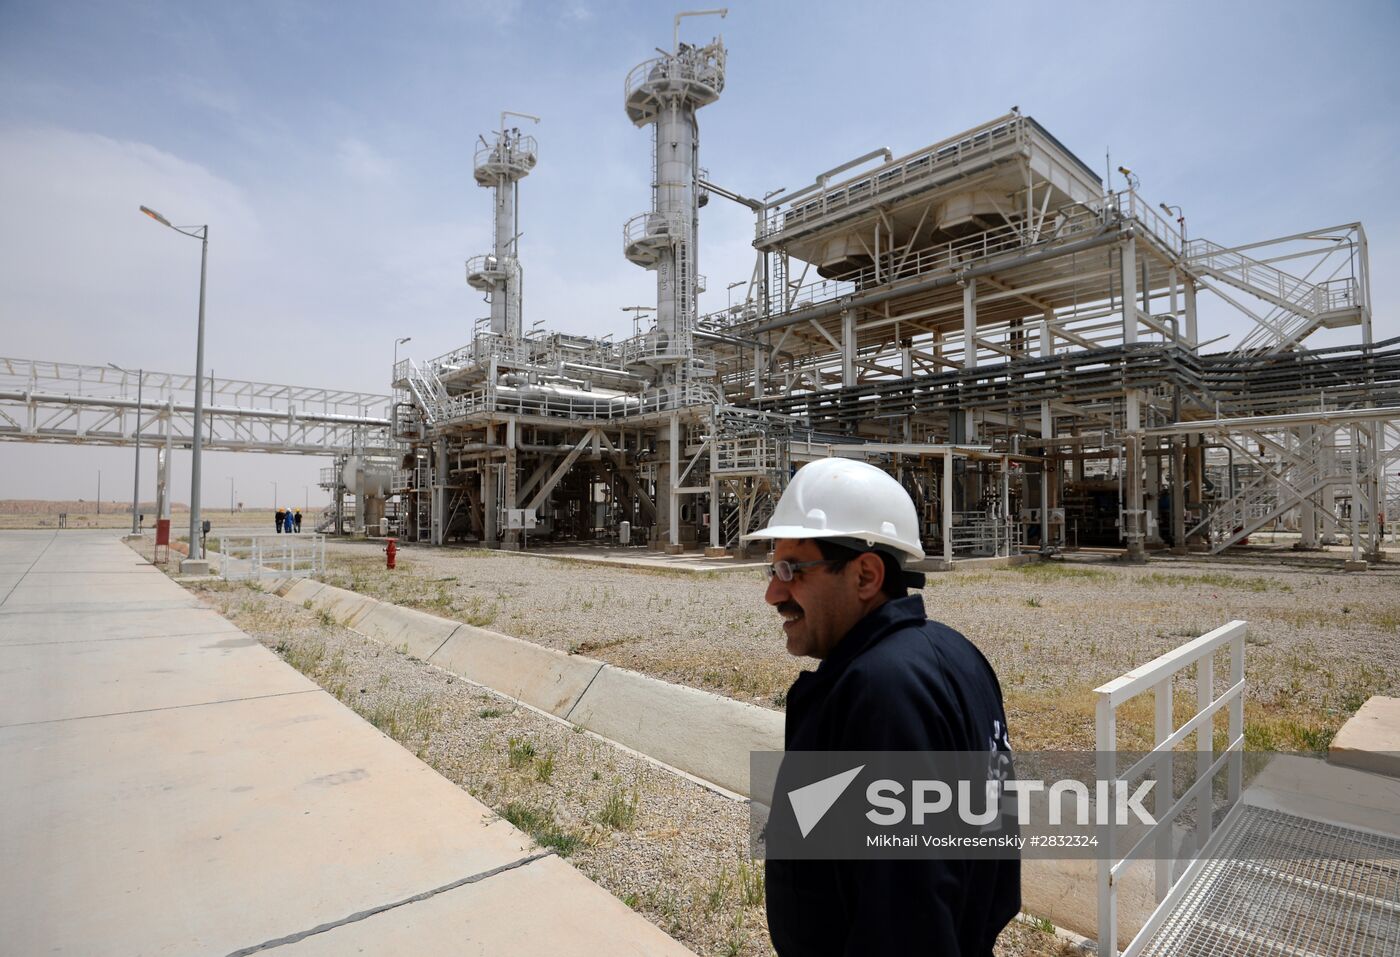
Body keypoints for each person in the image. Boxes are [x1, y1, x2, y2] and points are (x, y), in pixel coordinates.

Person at [744, 457, 1019, 956]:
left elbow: (908, 914)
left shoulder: (882, 692)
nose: (773, 593)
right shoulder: (959, 655)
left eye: (791, 570)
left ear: (866, 575)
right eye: (773, 568)